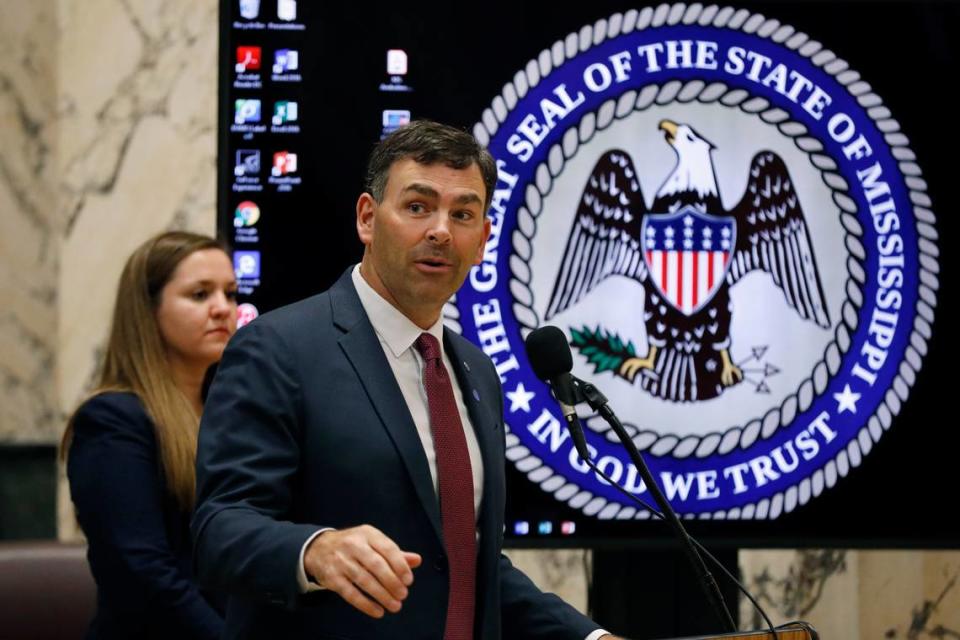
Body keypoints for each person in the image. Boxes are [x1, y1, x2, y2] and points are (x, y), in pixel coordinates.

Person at [192, 120, 619, 640]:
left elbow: (466, 567)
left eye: (462, 214)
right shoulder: (278, 350)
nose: (440, 230)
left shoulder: (477, 371)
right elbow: (220, 530)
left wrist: (590, 638)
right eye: (418, 207)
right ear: (368, 219)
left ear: (482, 239)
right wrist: (315, 549)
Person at [63, 231, 236, 639]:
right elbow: (141, 571)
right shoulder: (112, 420)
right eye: (199, 295)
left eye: (230, 293)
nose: (222, 309)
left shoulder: (227, 411)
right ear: (148, 310)